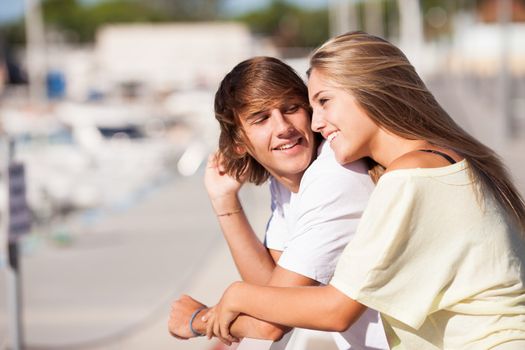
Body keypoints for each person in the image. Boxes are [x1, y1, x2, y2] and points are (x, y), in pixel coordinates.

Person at [205, 32, 525, 349]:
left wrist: (233, 297)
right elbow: (279, 299)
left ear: (369, 93)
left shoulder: (410, 176)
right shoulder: (430, 162)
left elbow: (335, 310)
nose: (315, 124)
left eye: (324, 102)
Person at [168, 56, 389, 349]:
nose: (283, 127)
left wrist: (197, 319)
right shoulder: (287, 182)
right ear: (239, 143)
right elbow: (270, 290)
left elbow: (272, 324)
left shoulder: (335, 175)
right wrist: (225, 201)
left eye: (291, 108)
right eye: (261, 118)